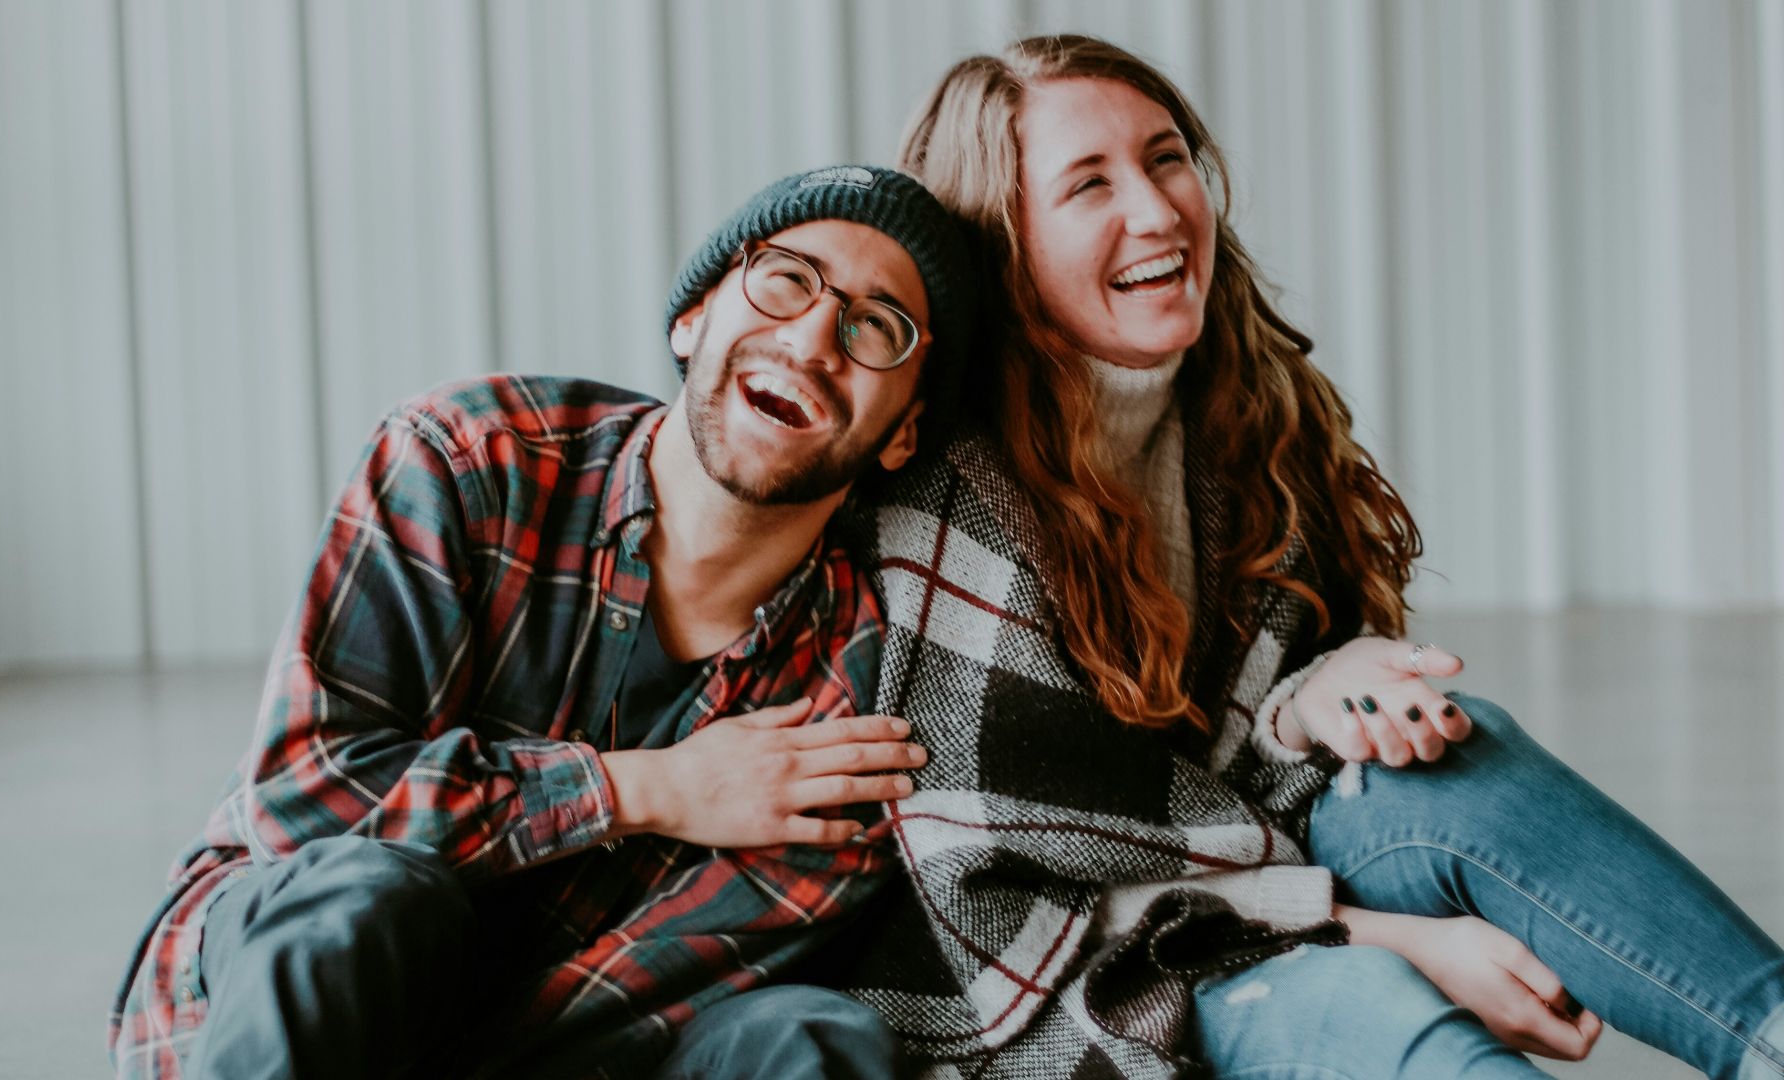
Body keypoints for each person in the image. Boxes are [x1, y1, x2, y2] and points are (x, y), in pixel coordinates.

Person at [837, 34, 1784, 1079]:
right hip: (1051, 994)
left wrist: (1317, 694)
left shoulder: (1233, 412)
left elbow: (1211, 755)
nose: (1157, 211)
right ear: (1003, 244)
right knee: (1350, 995)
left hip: (1232, 878)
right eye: (1088, 186)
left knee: (1442, 767)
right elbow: (1013, 899)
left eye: (1165, 157)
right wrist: (1398, 939)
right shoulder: (953, 509)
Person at [106, 164, 982, 1080]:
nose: (810, 338)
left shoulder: (857, 687)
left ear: (904, 433)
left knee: (811, 1037)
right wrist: (640, 788)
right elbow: (305, 804)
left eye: (876, 327)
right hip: (286, 997)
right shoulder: (468, 460)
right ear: (693, 321)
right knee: (371, 893)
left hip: (565, 1046)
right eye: (786, 279)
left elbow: (650, 994)